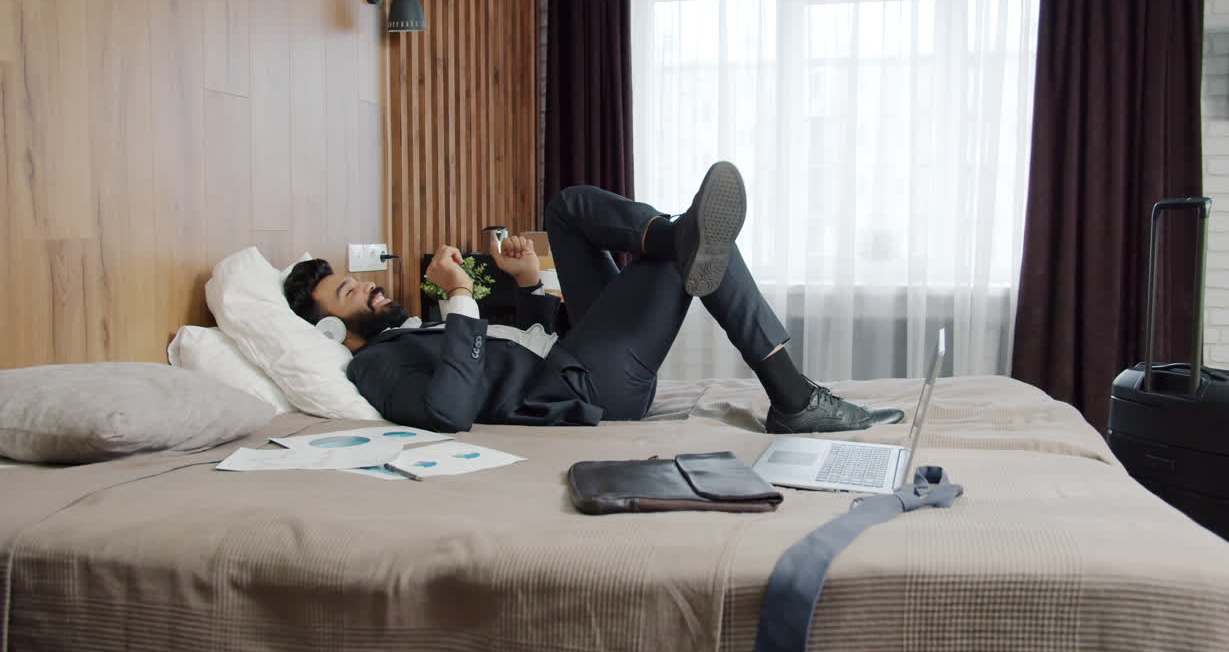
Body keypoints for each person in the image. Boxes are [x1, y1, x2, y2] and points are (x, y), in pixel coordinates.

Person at [283, 162, 903, 434]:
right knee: (693, 254)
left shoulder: (407, 332)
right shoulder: (372, 366)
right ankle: (793, 396)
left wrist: (528, 285)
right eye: (346, 290)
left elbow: (520, 344)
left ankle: (680, 234)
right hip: (585, 389)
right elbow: (448, 411)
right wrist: (463, 296)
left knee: (568, 207)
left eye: (352, 277)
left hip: (571, 353)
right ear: (332, 331)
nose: (365, 283)